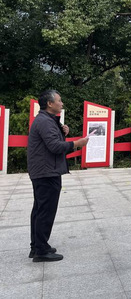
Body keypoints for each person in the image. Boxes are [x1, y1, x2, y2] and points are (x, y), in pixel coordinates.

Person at [28, 90, 89, 262]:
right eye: (59, 101)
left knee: (40, 210)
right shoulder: (45, 121)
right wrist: (77, 143)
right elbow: (55, 147)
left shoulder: (47, 120)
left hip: (44, 170)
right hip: (46, 172)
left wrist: (63, 133)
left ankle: (37, 246)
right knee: (45, 211)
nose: (61, 104)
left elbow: (52, 143)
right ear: (50, 103)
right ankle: (41, 251)